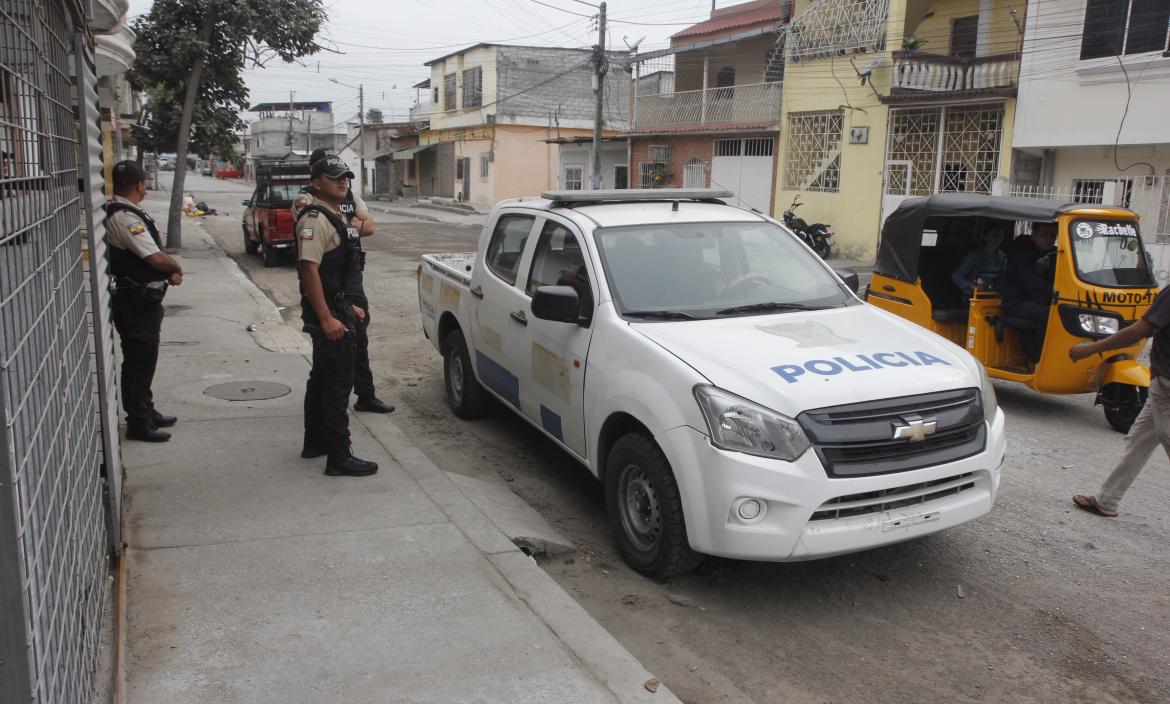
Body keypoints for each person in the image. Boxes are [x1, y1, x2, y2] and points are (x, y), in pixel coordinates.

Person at [296, 155, 379, 477]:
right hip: (329, 314)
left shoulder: (332, 215)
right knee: (337, 384)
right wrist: (328, 317)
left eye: (345, 177)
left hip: (338, 306)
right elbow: (309, 271)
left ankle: (315, 443)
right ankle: (339, 455)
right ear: (317, 182)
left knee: (321, 379)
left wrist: (346, 307)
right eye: (335, 178)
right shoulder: (315, 219)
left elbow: (332, 273)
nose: (343, 182)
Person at [292, 148, 393, 415]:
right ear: (316, 176)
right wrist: (347, 223)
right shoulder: (307, 202)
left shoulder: (347, 195)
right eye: (331, 173)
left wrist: (345, 223)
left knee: (358, 343)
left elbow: (369, 227)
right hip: (329, 290)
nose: (341, 181)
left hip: (351, 284)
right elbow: (310, 265)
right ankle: (328, 423)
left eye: (343, 175)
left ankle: (365, 395)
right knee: (329, 363)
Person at [1070, 284, 1170, 517]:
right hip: (1161, 384)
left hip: (1166, 384)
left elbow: (1139, 331)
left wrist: (1091, 349)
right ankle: (1107, 499)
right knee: (1139, 441)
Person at [104, 161, 183, 442]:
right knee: (138, 360)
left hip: (141, 300)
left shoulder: (129, 213)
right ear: (139, 184)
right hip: (134, 302)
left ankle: (147, 410)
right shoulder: (125, 218)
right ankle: (138, 420)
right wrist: (175, 267)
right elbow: (154, 258)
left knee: (145, 358)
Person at [1001, 222, 1058, 363]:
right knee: (1050, 313)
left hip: (1036, 299)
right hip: (1016, 302)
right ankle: (1039, 358)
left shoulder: (1054, 253)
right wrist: (1057, 298)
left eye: (1053, 235)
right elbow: (1032, 284)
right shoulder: (1021, 253)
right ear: (1034, 234)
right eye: (1044, 235)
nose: (1049, 239)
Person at [952, 227, 1006, 296]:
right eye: (993, 235)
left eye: (1000, 235)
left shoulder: (1002, 256)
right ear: (985, 237)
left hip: (994, 297)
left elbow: (1003, 277)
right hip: (974, 297)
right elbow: (956, 276)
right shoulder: (974, 256)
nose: (997, 238)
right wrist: (972, 286)